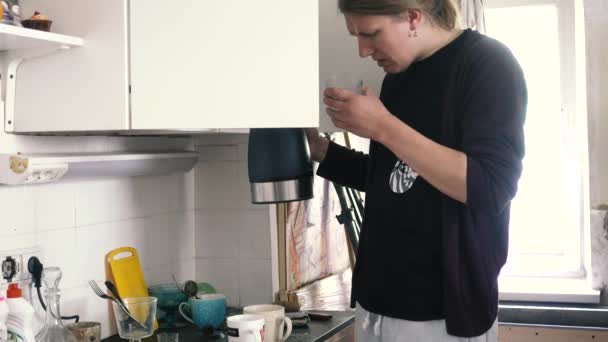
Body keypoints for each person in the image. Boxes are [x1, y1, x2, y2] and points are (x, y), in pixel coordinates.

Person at [305, 0, 527, 341]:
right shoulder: (398, 77)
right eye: (356, 36)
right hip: (375, 306)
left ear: (412, 17)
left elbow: (490, 188)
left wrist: (382, 126)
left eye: (371, 34)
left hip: (442, 316)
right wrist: (323, 151)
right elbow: (395, 176)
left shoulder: (488, 64)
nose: (363, 50)